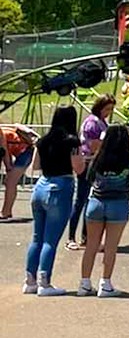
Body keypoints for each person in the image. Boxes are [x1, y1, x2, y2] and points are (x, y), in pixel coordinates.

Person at [23, 106, 84, 295]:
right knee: (51, 240)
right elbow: (79, 168)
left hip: (41, 186)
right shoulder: (72, 141)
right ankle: (44, 282)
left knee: (37, 238)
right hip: (61, 186)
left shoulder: (43, 140)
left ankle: (30, 280)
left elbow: (35, 165)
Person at [79, 125, 129, 296]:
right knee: (111, 246)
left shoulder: (98, 158)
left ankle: (84, 283)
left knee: (91, 245)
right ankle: (105, 283)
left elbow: (89, 178)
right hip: (118, 203)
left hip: (96, 202)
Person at [67, 94, 114, 250]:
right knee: (81, 200)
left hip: (95, 162)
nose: (108, 112)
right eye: (107, 109)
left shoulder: (101, 122)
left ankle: (86, 237)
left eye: (111, 109)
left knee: (90, 201)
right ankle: (71, 236)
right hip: (88, 163)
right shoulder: (92, 123)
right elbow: (94, 145)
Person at [2, 124, 39, 221]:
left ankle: (6, 212)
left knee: (10, 182)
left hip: (25, 151)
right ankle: (7, 211)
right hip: (16, 149)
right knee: (8, 182)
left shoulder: (1, 135)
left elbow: (5, 152)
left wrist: (8, 168)